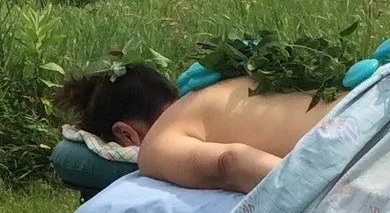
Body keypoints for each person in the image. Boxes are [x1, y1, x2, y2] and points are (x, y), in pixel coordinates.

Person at [54, 64, 336, 194]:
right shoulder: (217, 84)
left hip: (340, 143)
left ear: (126, 134)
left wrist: (325, 196)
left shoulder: (158, 142)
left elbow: (230, 163)